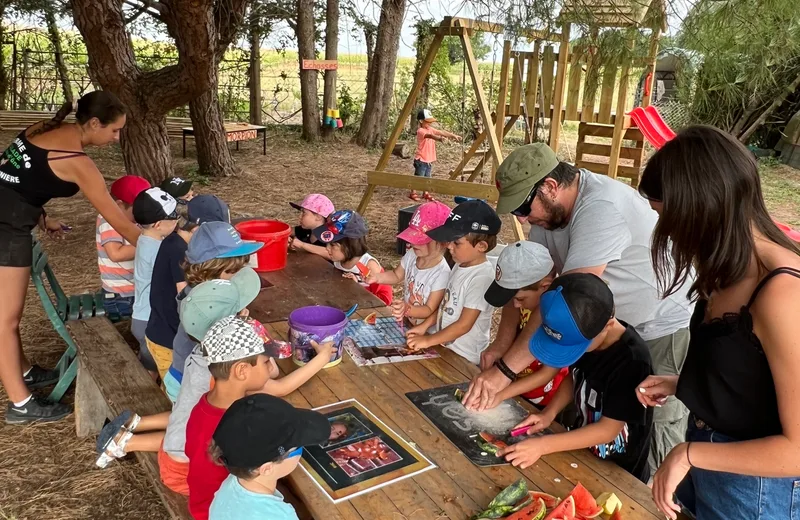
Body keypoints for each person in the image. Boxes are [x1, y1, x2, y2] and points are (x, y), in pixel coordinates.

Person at [466, 143, 694, 477]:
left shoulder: (601, 209)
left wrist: (504, 371)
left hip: (659, 326)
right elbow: (529, 281)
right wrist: (502, 346)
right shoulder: (547, 215)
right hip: (597, 330)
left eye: (525, 209)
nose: (524, 219)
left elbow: (564, 304)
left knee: (652, 425)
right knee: (593, 404)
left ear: (550, 187)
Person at [634, 126, 800, 520]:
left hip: (758, 492)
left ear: (699, 210)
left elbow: (796, 450)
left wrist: (689, 453)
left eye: (665, 216)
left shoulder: (781, 293)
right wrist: (685, 385)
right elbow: (750, 376)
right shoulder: (724, 267)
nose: (667, 234)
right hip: (712, 464)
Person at [1, 91, 141, 423]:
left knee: (9, 319)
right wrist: (156, 244)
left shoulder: (42, 129)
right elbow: (116, 218)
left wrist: (40, 215)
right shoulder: (78, 162)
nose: (117, 137)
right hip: (5, 229)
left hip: (12, 218)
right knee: (6, 320)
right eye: (114, 130)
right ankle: (20, 405)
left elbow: (14, 175)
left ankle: (24, 372)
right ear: (94, 123)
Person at [498, 273, 654, 483]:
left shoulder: (633, 362)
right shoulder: (586, 334)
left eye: (573, 347)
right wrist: (549, 413)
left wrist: (543, 445)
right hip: (582, 452)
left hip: (619, 472)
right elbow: (575, 377)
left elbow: (607, 431)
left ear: (607, 326)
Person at [185, 315, 295, 520]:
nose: (271, 369)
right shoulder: (239, 425)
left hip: (207, 501)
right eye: (265, 363)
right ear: (242, 370)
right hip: (221, 510)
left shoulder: (205, 405)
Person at [146, 194, 230, 398]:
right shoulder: (179, 252)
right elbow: (187, 302)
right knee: (177, 394)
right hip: (167, 338)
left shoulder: (179, 243)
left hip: (170, 332)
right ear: (197, 229)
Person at [166, 221, 265, 394]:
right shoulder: (201, 305)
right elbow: (218, 342)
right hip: (188, 383)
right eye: (232, 271)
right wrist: (236, 324)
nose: (238, 276)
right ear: (208, 271)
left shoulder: (206, 291)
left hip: (193, 374)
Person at [405, 200, 500, 365]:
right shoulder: (459, 264)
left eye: (456, 242)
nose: (449, 246)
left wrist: (428, 341)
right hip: (446, 349)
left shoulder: (482, 278)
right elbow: (445, 306)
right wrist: (424, 326)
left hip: (465, 359)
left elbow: (464, 325)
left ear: (481, 246)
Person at [208, 394, 330, 520]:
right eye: (298, 447)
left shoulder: (232, 481)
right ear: (267, 468)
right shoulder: (281, 516)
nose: (301, 450)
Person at [482, 241, 568, 408]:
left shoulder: (559, 316)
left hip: (546, 402)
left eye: (520, 299)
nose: (515, 306)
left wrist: (500, 392)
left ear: (545, 287)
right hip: (513, 389)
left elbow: (547, 373)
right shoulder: (527, 301)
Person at [366, 201, 451, 326]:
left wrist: (407, 309)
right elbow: (396, 275)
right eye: (413, 238)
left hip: (424, 331)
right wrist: (377, 277)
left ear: (443, 242)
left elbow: (429, 309)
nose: (414, 243)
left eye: (420, 240)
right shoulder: (412, 254)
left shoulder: (442, 273)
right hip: (407, 321)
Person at [130, 187, 180, 377]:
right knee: (167, 374)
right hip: (153, 321)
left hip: (142, 316)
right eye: (173, 216)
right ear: (158, 224)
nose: (177, 219)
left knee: (152, 369)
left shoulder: (145, 240)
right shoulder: (160, 250)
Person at [96, 175, 151, 319]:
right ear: (119, 205)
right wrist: (152, 243)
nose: (143, 213)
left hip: (133, 291)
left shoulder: (130, 218)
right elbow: (115, 254)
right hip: (122, 296)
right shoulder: (109, 220)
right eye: (138, 209)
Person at [312, 209, 393, 305]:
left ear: (349, 246)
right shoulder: (339, 258)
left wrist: (357, 288)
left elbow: (385, 300)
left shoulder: (369, 266)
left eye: (333, 245)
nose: (327, 248)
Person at [409, 108, 462, 201]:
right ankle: (413, 192)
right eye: (427, 121)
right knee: (418, 177)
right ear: (421, 121)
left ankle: (425, 193)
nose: (429, 123)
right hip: (421, 159)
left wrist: (453, 136)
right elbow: (430, 136)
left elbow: (441, 132)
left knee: (427, 177)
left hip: (428, 159)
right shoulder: (420, 131)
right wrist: (439, 139)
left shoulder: (430, 128)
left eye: (430, 122)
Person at [288, 193, 334, 260]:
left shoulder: (329, 236)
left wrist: (302, 245)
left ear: (318, 217)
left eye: (304, 213)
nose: (299, 216)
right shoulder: (307, 229)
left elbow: (331, 253)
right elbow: (287, 231)